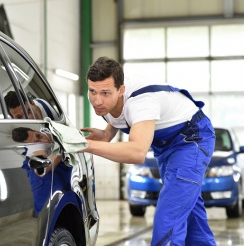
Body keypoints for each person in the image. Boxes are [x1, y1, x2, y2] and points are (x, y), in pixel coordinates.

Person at [80, 57, 216, 246]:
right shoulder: (108, 102)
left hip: (191, 139)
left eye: (105, 93)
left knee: (169, 217)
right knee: (190, 212)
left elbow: (136, 152)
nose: (97, 101)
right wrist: (106, 134)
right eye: (92, 91)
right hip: (166, 146)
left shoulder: (141, 101)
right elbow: (121, 117)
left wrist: (86, 146)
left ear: (121, 90)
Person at [12, 127, 72, 216]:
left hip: (61, 173)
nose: (43, 141)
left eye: (39, 136)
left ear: (37, 130)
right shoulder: (35, 147)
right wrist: (60, 152)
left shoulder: (49, 129)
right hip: (43, 179)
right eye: (36, 142)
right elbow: (43, 168)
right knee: (47, 215)